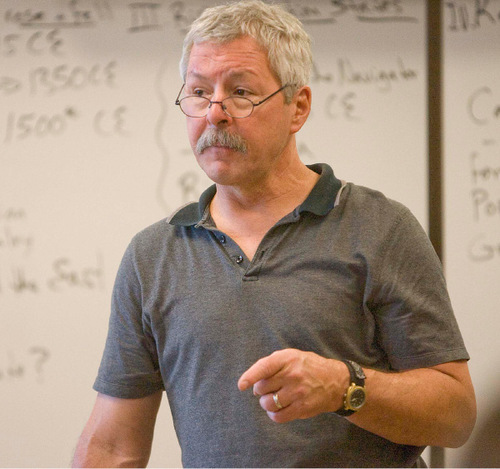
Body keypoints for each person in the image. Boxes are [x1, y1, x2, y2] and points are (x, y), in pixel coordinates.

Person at [72, 1, 476, 467]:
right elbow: (112, 447)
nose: (215, 113)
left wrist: (345, 387)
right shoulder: (154, 256)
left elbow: (456, 418)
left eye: (241, 92)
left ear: (297, 107)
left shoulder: (380, 229)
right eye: (199, 92)